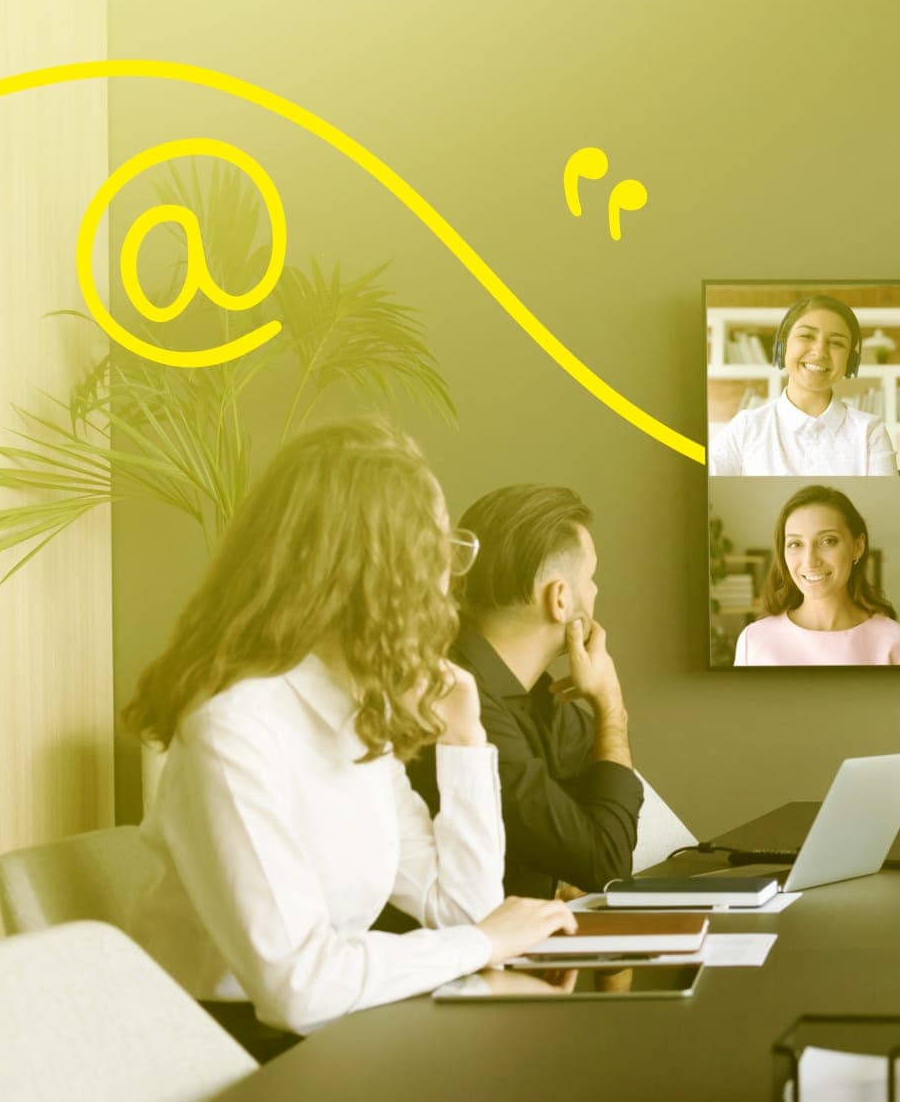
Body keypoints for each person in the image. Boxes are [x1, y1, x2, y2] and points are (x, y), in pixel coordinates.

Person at [120, 418, 576, 1056]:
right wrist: (483, 944)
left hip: (326, 1035)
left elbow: (465, 910)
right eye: (435, 554)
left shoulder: (356, 713)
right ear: (365, 573)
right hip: (218, 1055)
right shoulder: (232, 729)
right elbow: (298, 987)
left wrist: (465, 738)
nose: (448, 581)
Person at [413, 483, 643, 900]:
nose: (594, 591)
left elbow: (602, 818)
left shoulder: (534, 696)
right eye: (591, 578)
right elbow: (606, 863)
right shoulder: (464, 710)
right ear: (559, 599)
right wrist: (611, 707)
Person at [707, 294, 898, 476]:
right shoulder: (747, 427)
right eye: (806, 336)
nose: (820, 352)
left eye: (837, 343)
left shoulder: (870, 432)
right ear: (782, 348)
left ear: (851, 361)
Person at [734, 484, 900, 665]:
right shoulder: (754, 641)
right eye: (795, 544)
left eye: (827, 541)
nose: (810, 561)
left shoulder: (897, 643)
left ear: (857, 547)